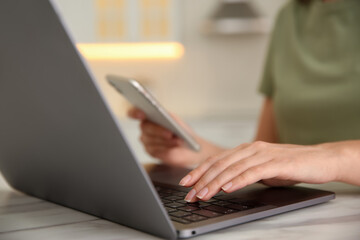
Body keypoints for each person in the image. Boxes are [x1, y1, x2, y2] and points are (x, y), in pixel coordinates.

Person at [128, 0, 360, 203]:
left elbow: (297, 158)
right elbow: (264, 155)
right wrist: (198, 153)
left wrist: (331, 157)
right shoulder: (289, 17)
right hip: (292, 217)